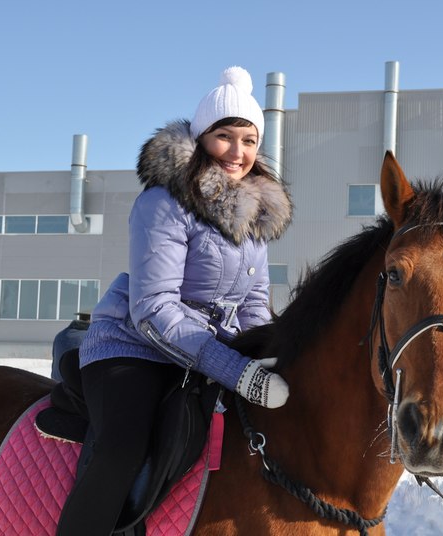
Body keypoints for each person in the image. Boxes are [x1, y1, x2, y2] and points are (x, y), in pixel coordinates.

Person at [56, 66, 293, 536]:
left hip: (204, 353)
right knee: (123, 447)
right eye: (225, 136)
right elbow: (154, 309)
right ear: (202, 137)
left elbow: (254, 307)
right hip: (132, 347)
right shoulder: (163, 203)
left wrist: (270, 357)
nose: (238, 152)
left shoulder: (253, 217)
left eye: (248, 140)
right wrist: (236, 370)